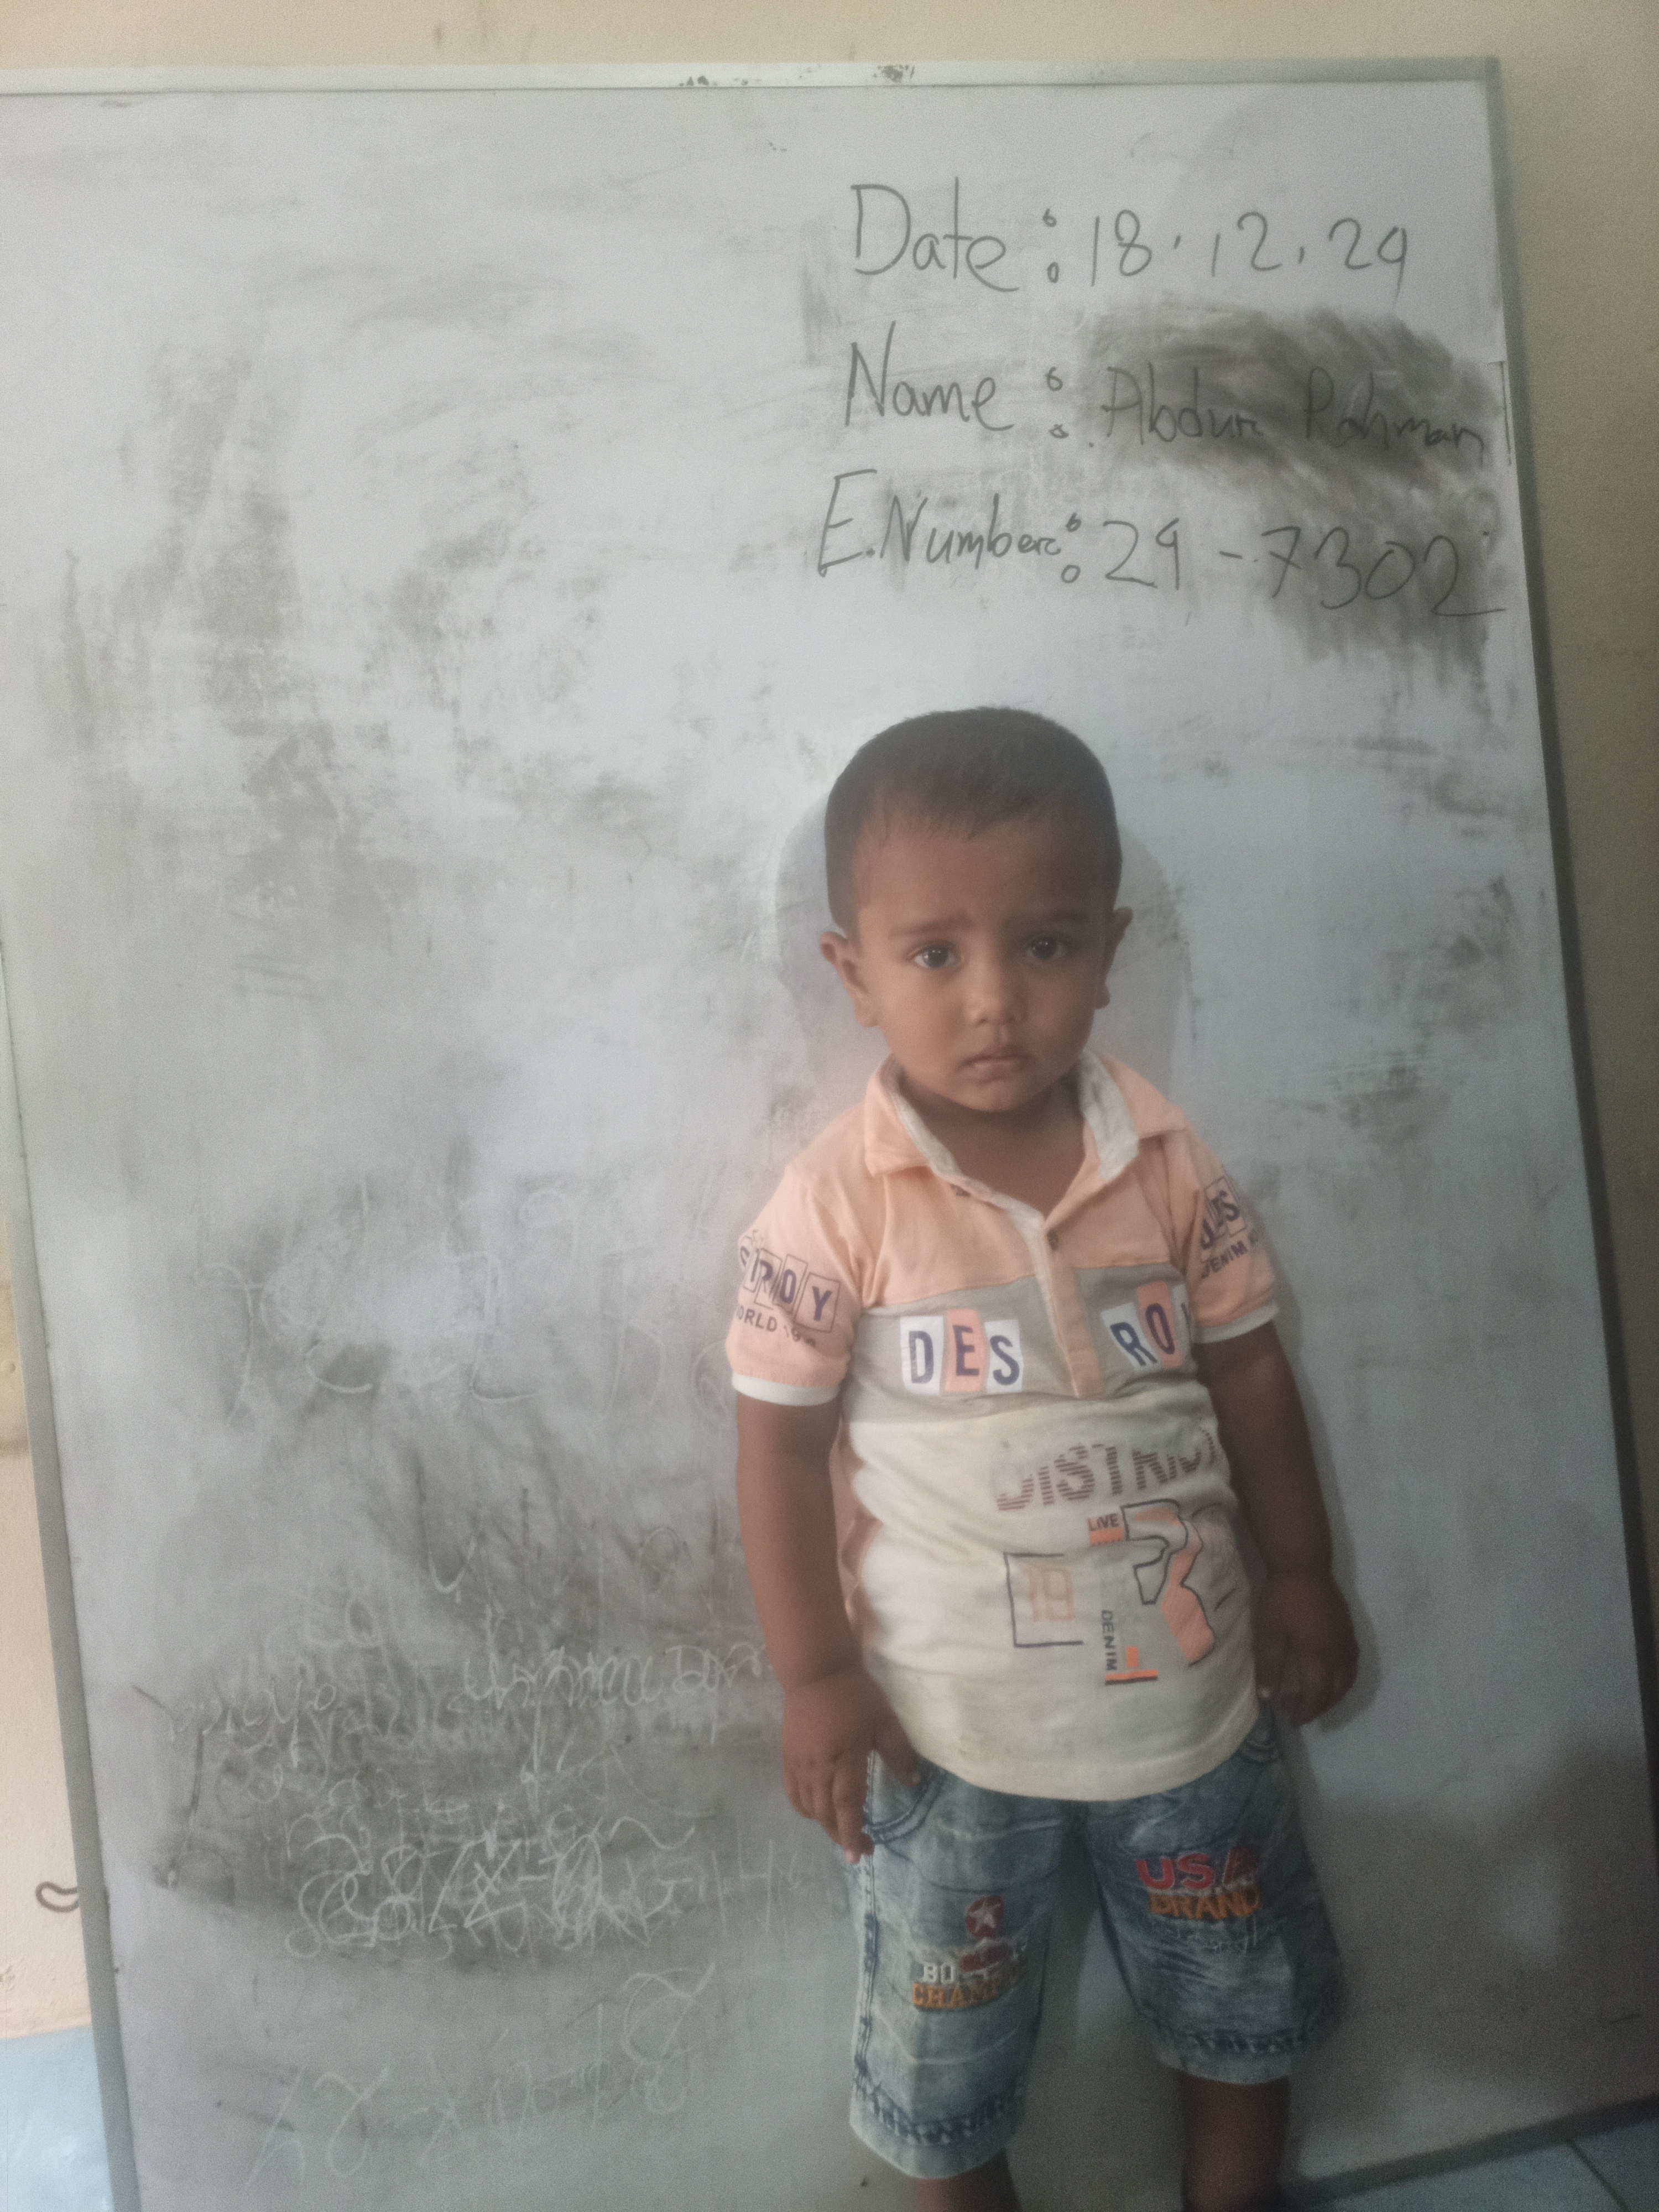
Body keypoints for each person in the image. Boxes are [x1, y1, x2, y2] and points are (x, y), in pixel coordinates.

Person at [726, 709, 1356, 2212]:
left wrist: (1303, 1573)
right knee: (947, 2093)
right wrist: (817, 1677)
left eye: (1047, 945)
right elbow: (777, 1449)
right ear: (854, 974)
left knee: (1242, 2023)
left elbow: (1250, 1370)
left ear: (1111, 946)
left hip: (1193, 1717)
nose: (996, 1000)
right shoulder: (835, 1202)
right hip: (941, 1743)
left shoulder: (1165, 1158)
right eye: (935, 954)